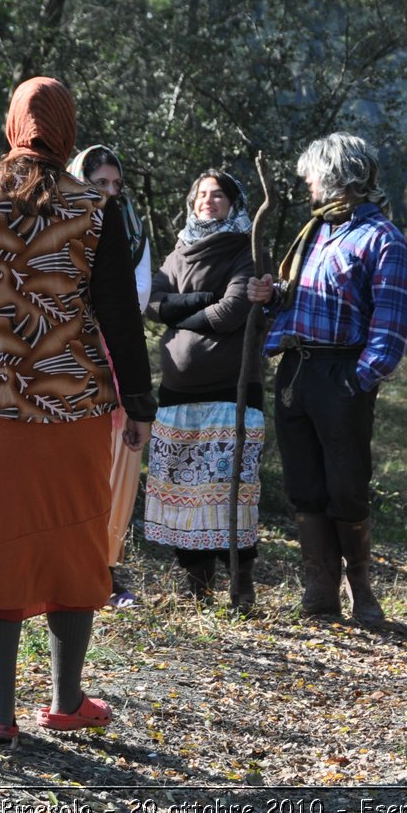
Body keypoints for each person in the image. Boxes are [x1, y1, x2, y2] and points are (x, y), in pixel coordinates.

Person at [0, 77, 154, 744]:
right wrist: (138, 401)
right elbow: (118, 314)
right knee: (70, 544)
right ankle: (67, 698)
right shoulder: (94, 207)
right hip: (73, 406)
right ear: (68, 129)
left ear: (13, 125)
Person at [247, 133, 407, 624]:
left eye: (312, 175)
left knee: (346, 487)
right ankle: (320, 591)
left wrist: (358, 381)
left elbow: (393, 324)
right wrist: (274, 294)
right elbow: (307, 298)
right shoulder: (317, 231)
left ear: (339, 175)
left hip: (341, 376)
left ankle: (361, 590)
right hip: (296, 371)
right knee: (305, 486)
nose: (307, 183)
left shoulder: (383, 239)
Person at [143, 170, 262, 609]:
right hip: (177, 393)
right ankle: (198, 586)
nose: (207, 201)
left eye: (218, 196)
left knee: (232, 490)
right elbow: (152, 302)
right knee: (183, 490)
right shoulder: (176, 254)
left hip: (231, 392)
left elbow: (231, 311)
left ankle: (240, 585)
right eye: (201, 195)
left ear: (234, 203)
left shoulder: (245, 251)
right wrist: (196, 302)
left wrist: (176, 311)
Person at [67, 144, 152, 610]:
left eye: (116, 185)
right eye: (100, 183)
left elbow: (136, 294)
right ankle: (67, 563)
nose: (110, 192)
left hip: (114, 352)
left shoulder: (130, 226)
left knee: (118, 465)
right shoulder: (57, 218)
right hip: (65, 354)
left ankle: (105, 566)